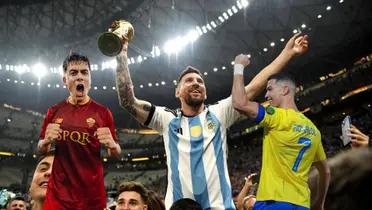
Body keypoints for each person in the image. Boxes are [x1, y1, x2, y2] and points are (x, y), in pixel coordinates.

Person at [115, 33, 309, 209]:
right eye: (189, 81)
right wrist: (121, 54)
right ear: (177, 92)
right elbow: (127, 101)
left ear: (205, 91)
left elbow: (253, 87)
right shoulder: (167, 119)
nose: (196, 83)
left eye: (200, 81)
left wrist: (287, 53)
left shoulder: (219, 112)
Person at [231, 57, 331, 209]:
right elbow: (326, 172)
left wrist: (238, 66)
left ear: (285, 90)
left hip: (273, 202)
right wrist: (319, 203)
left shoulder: (276, 116)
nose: (266, 95)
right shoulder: (313, 130)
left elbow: (239, 103)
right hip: (302, 204)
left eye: (270, 89)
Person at [37, 52, 121, 209]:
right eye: (73, 73)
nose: (80, 77)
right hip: (58, 197)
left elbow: (116, 153)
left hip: (91, 198)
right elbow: (41, 148)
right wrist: (46, 140)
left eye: (84, 72)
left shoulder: (103, 113)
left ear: (90, 79)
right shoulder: (53, 111)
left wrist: (112, 145)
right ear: (65, 80)